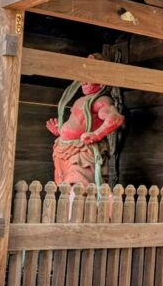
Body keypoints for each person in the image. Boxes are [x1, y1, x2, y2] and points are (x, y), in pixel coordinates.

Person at [46, 55, 124, 187]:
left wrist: (96, 134)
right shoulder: (79, 100)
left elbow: (115, 118)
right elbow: (78, 123)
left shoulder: (101, 101)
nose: (83, 82)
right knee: (65, 186)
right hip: (65, 149)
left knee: (79, 186)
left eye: (88, 77)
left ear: (101, 80)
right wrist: (61, 132)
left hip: (81, 153)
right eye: (82, 78)